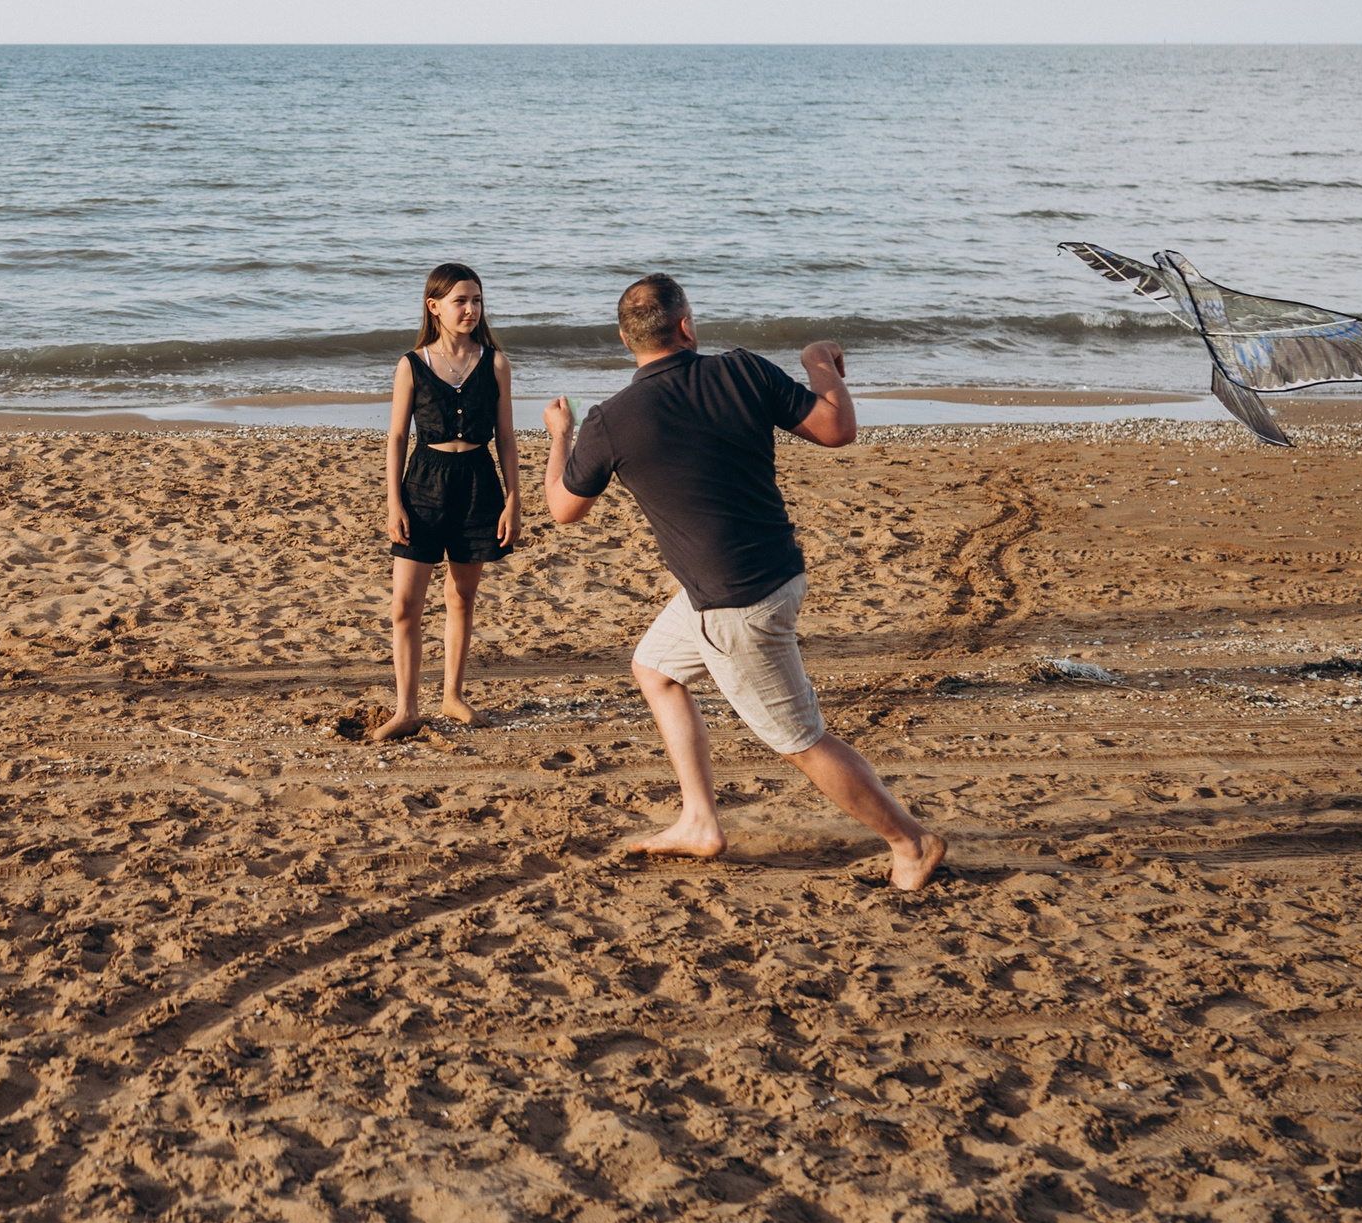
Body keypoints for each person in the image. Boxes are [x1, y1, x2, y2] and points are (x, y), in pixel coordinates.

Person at [542, 273, 946, 891]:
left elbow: (563, 509)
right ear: (686, 325)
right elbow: (838, 428)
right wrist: (818, 363)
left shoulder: (610, 421)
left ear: (627, 341)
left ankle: (910, 841)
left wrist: (559, 438)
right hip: (772, 573)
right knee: (655, 668)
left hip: (734, 605)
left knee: (800, 738)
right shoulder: (742, 370)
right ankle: (700, 820)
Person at [377, 263, 521, 740]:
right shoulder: (411, 363)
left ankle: (453, 696)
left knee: (461, 597)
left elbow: (506, 437)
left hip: (478, 483)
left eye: (477, 300)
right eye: (461, 301)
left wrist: (514, 500)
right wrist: (394, 500)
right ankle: (406, 710)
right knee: (404, 606)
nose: (471, 310)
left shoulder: (494, 362)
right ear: (433, 306)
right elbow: (397, 436)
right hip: (423, 484)